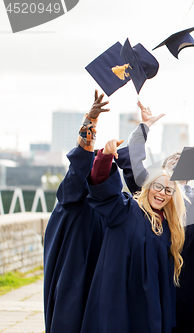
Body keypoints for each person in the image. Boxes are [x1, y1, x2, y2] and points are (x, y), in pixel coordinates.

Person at [114, 102, 194, 333]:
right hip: (153, 266)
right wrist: (144, 128)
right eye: (171, 162)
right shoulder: (151, 192)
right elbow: (135, 164)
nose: (176, 165)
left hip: (190, 270)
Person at [80, 136, 186, 333]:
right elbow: (103, 190)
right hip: (118, 294)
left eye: (168, 190)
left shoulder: (169, 228)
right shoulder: (125, 209)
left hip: (149, 303)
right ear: (148, 187)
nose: (162, 193)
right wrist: (105, 157)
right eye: (158, 186)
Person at [43, 90, 109, 333]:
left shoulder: (111, 207)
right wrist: (89, 124)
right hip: (71, 279)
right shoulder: (72, 199)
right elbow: (80, 164)